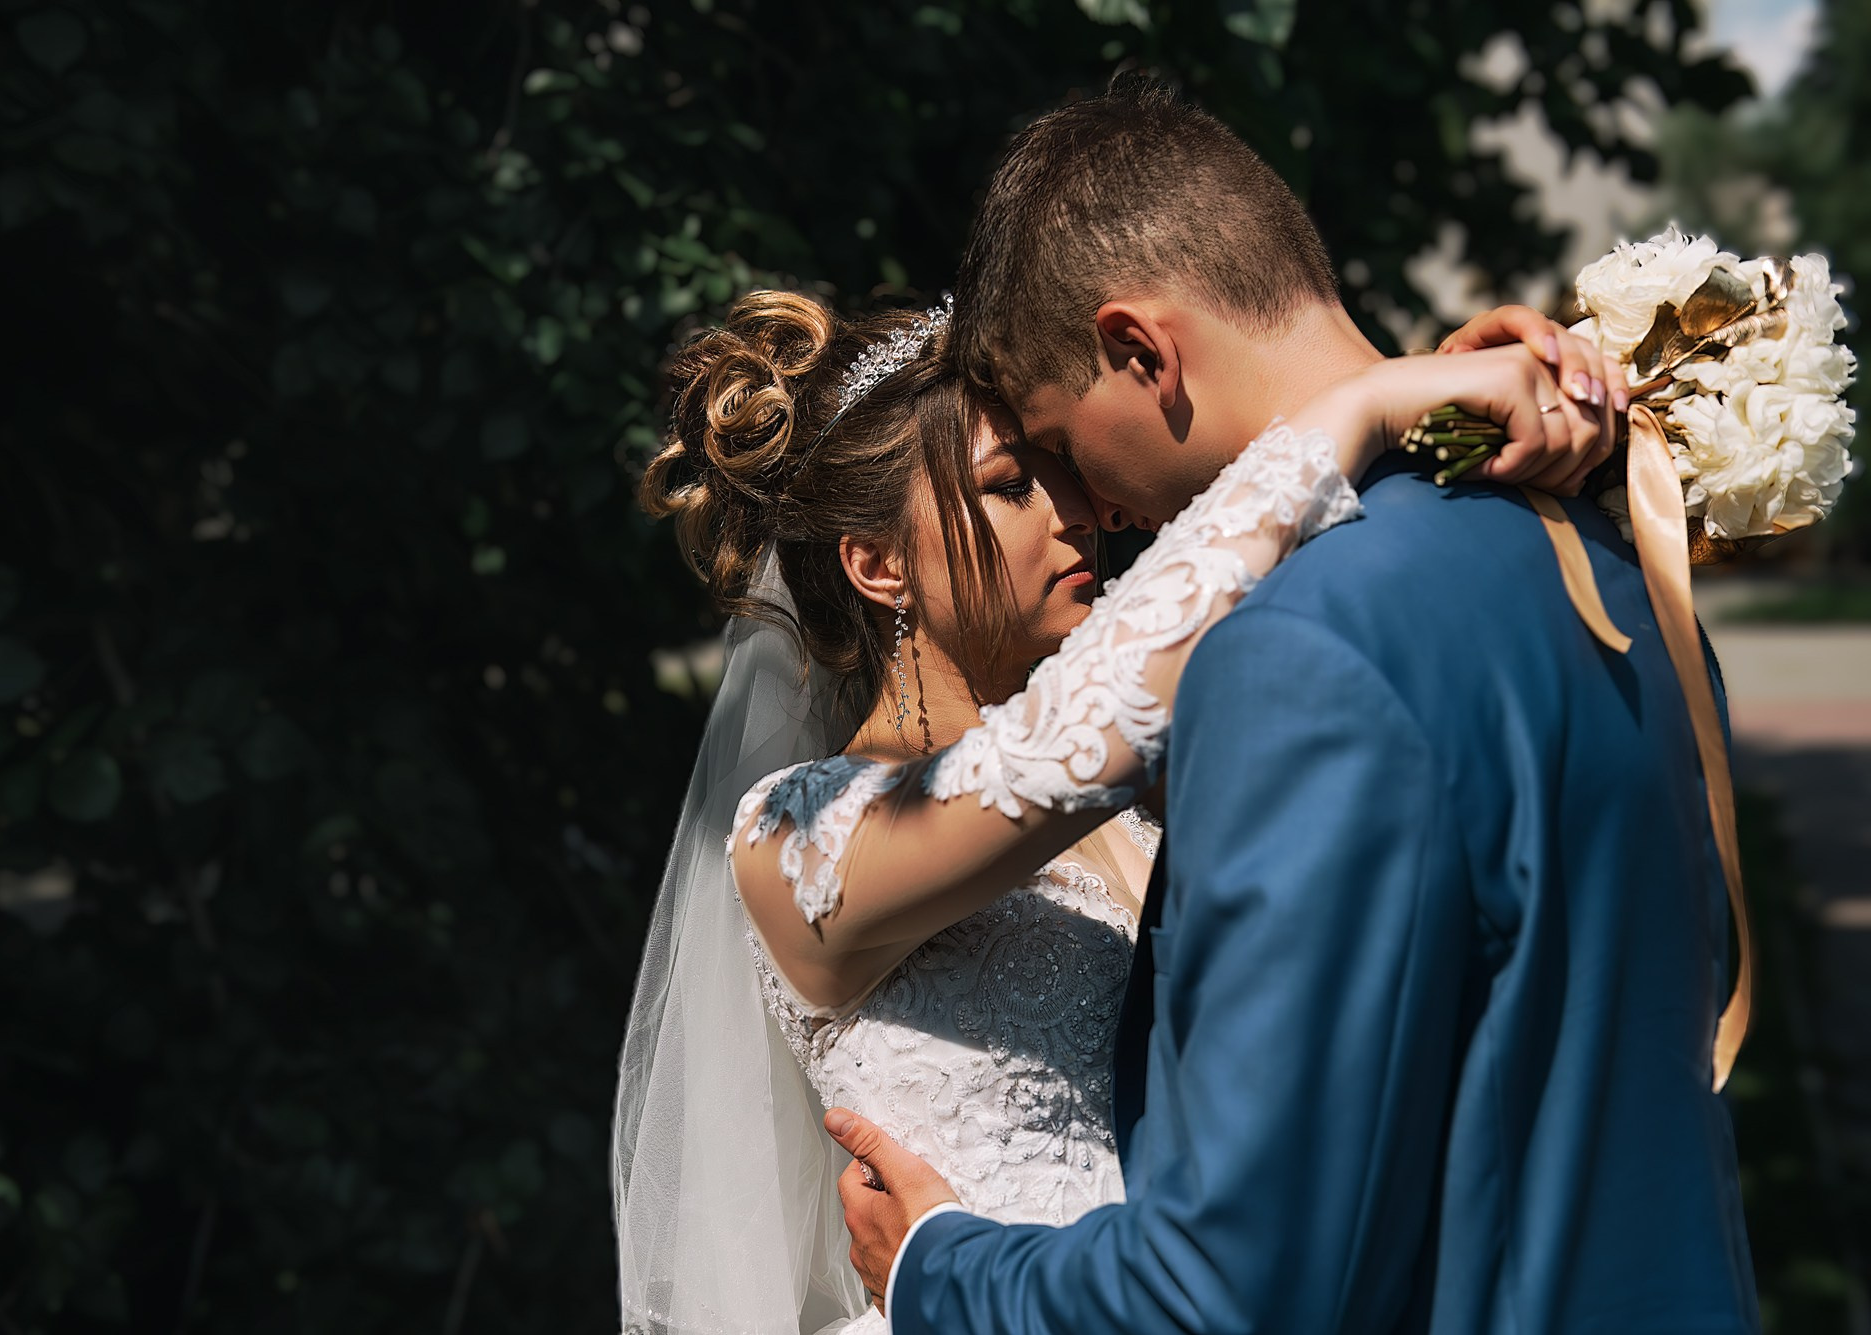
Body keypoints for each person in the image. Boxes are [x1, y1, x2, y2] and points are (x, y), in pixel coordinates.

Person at [823, 77, 1761, 1333]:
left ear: (1140, 353)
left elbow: (1232, 1292)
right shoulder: (1602, 550)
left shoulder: (1295, 657)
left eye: (1056, 444)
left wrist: (939, 1268)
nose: (1083, 508)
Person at [614, 252, 1611, 1331]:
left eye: (1059, 471)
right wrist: (1359, 403)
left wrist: (1444, 422)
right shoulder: (796, 833)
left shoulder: (1144, 787)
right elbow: (1061, 752)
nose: (1076, 513)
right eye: (1008, 488)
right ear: (877, 567)